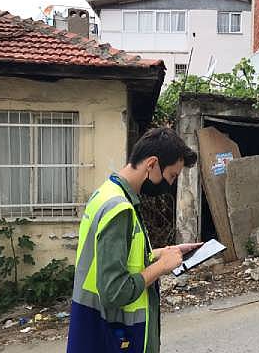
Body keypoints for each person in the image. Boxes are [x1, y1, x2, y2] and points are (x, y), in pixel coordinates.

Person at [67, 128, 200, 353]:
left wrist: (164, 252)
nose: (170, 184)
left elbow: (119, 255)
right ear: (151, 164)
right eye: (171, 176)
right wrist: (161, 267)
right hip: (111, 334)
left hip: (93, 326)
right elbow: (115, 291)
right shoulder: (120, 209)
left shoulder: (106, 193)